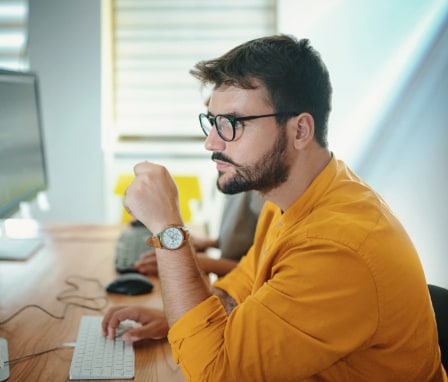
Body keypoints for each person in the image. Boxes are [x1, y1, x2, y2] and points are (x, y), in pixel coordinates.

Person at [102, 35, 447, 381]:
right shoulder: (292, 195)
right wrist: (180, 319)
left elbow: (214, 374)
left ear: (299, 130)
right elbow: (242, 286)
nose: (212, 142)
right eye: (212, 121)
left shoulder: (337, 248)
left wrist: (168, 229)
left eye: (232, 124)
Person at [133, 190, 263, 276]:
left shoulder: (266, 195)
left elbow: (261, 273)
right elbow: (252, 237)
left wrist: (186, 262)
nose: (210, 146)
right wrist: (210, 243)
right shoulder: (239, 175)